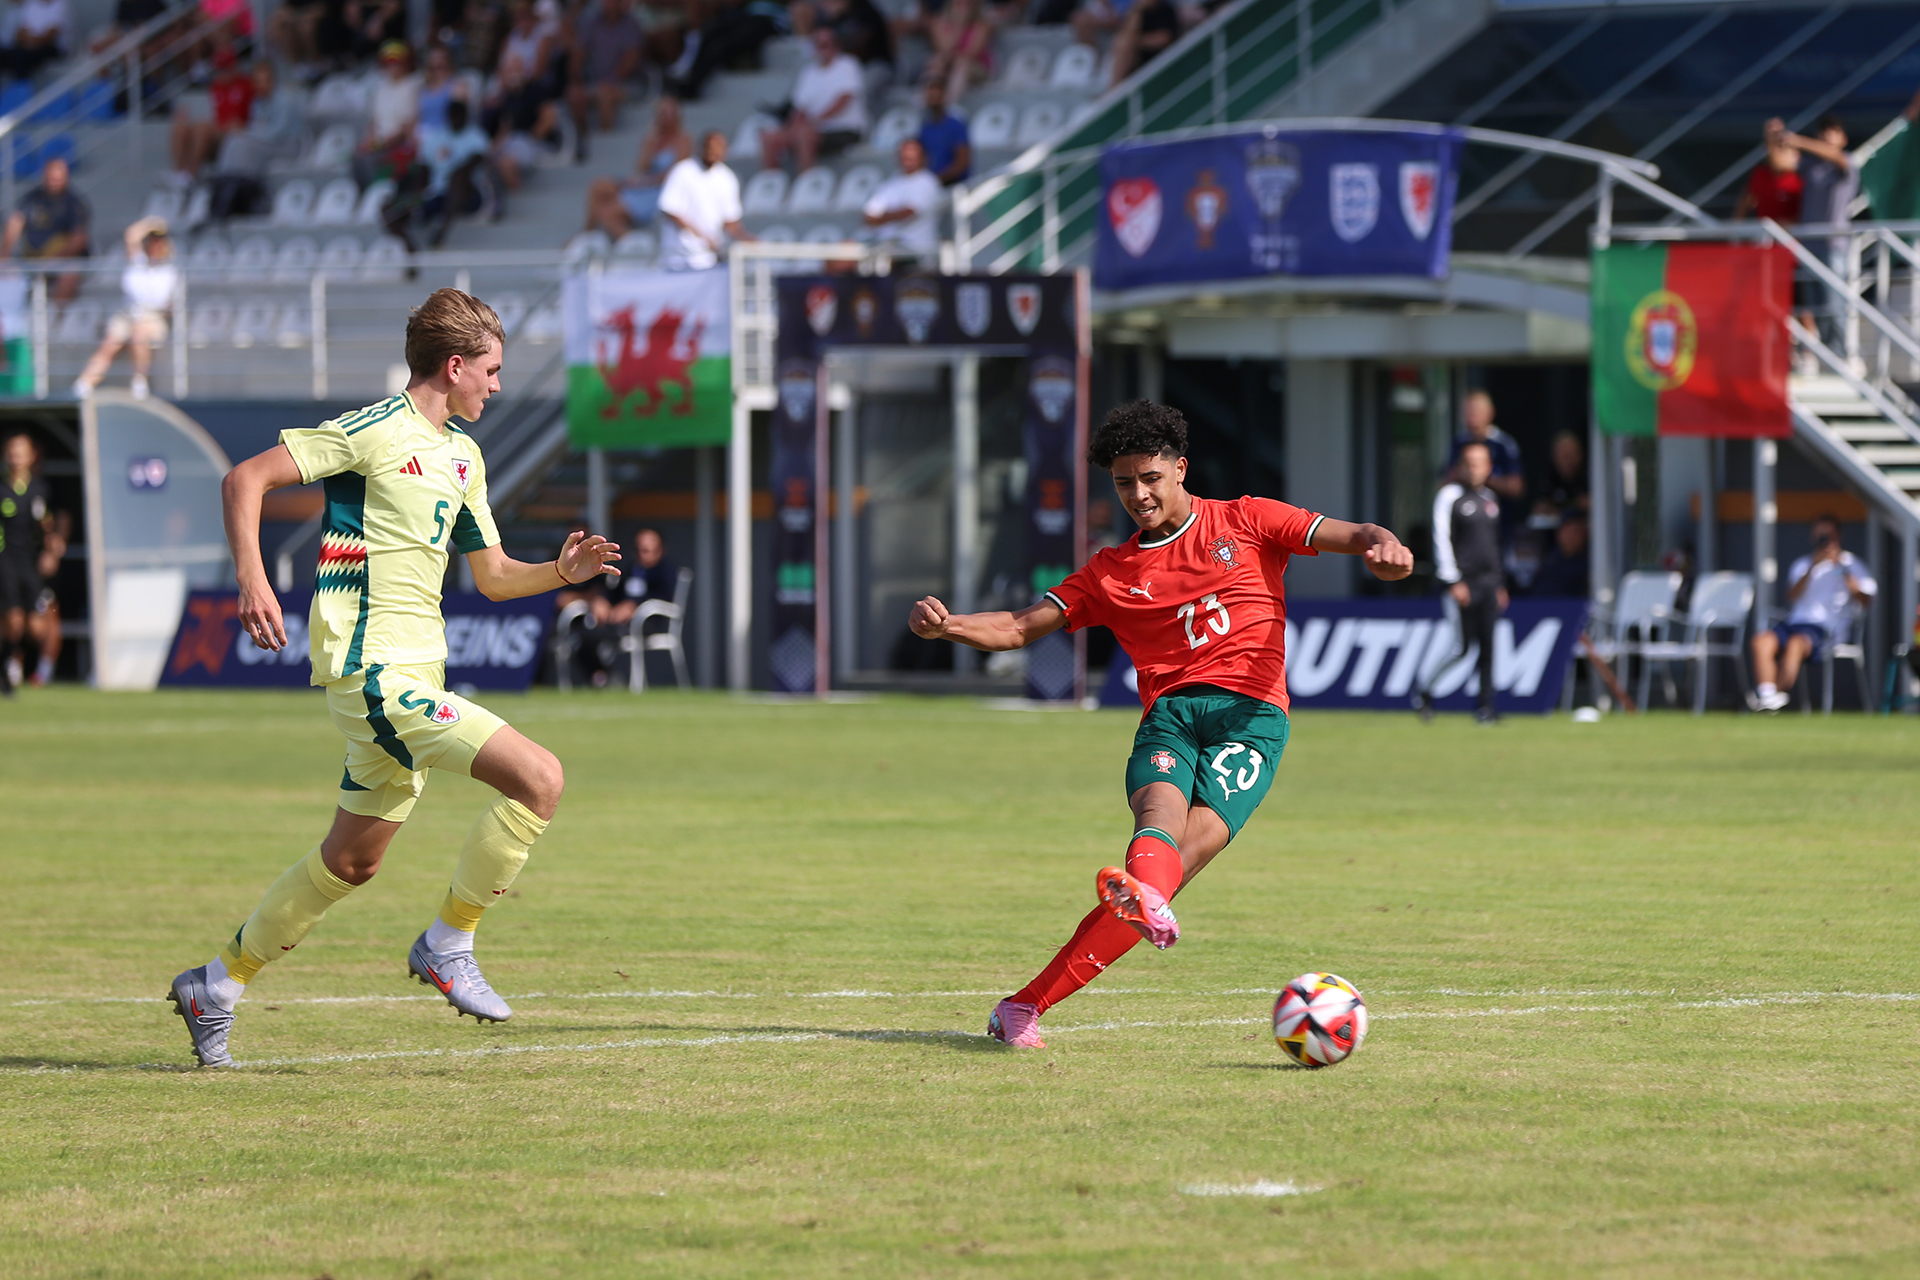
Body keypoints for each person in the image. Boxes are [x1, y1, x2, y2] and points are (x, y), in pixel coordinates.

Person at [166, 289, 624, 1069]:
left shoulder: (464, 457)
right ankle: (449, 943)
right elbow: (245, 479)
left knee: (352, 863)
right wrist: (253, 577)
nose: (497, 386)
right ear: (455, 366)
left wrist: (561, 571)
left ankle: (217, 985)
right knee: (539, 779)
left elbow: (493, 577)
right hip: (370, 671)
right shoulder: (373, 431)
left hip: (415, 671)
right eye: (491, 371)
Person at [907, 400, 1413, 1047]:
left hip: (1251, 721)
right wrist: (948, 626)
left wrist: (1383, 546)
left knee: (1161, 879)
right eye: (1124, 483)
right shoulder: (1111, 573)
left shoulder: (1248, 521)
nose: (1138, 495)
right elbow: (1017, 626)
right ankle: (1121, 912)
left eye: (1150, 478)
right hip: (1171, 716)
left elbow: (1353, 534)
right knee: (1157, 835)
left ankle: (1025, 1005)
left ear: (1180, 468)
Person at [1416, 439, 1505, 724]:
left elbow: (1494, 546)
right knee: (1461, 647)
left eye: (1480, 463)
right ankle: (1425, 690)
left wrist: (1500, 583)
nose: (1474, 469)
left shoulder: (1491, 500)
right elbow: (1441, 539)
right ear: (1459, 467)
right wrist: (1453, 580)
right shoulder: (1449, 496)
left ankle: (1485, 708)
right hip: (1462, 584)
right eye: (1468, 463)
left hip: (1489, 583)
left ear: (1489, 467)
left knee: (1489, 647)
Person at [1749, 515, 1876, 712]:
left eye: (1828, 536)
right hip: (1795, 623)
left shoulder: (1852, 564)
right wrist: (1812, 567)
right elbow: (1792, 596)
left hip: (1827, 630)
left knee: (1795, 644)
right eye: (1820, 536)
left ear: (1838, 536)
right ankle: (1767, 696)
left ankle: (1770, 701)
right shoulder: (1802, 564)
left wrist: (1843, 570)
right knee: (1761, 640)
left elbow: (1866, 600)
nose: (1824, 541)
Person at [72, 216, 175, 401]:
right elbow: (131, 236)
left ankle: (139, 383)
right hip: (128, 315)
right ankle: (84, 384)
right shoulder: (137, 262)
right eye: (152, 241)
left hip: (151, 317)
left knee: (139, 334)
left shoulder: (170, 271)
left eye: (159, 241)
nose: (155, 245)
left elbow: (168, 307)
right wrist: (152, 222)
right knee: (110, 343)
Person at [1781, 114, 1856, 355]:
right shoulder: (1810, 166)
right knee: (1815, 307)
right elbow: (1781, 163)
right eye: (1824, 131)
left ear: (1843, 139)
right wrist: (1775, 138)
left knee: (1834, 305)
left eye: (1833, 131)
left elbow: (1834, 155)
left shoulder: (1847, 162)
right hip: (1808, 246)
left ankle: (1842, 357)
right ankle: (1827, 357)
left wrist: (1797, 141)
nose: (1827, 136)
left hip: (1833, 246)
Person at [0, 431, 64, 692]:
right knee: (13, 622)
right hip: (6, 560)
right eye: (12, 452)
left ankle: (22, 661)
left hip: (31, 562)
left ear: (30, 456)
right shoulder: (1, 487)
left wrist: (53, 546)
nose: (16, 458)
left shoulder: (40, 489)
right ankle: (8, 666)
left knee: (37, 627)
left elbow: (47, 523)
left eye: (21, 452)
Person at [583, 93, 693, 238]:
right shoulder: (652, 139)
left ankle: (630, 240)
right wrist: (652, 141)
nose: (667, 118)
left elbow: (676, 175)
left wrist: (644, 182)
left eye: (670, 113)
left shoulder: (683, 140)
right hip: (645, 185)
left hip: (660, 191)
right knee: (599, 186)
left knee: (605, 212)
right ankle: (587, 233)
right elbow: (642, 167)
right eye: (663, 113)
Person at [761, 26, 868, 173]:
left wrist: (815, 120)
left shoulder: (847, 65)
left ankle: (806, 183)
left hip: (845, 129)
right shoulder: (808, 72)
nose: (821, 49)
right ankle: (771, 186)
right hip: (814, 129)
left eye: (825, 44)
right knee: (770, 137)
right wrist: (792, 128)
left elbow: (843, 100)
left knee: (804, 135)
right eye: (818, 45)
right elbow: (800, 108)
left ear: (836, 45)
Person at [662, 0, 789, 101]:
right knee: (712, 29)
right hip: (747, 13)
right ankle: (687, 68)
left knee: (722, 44)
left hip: (769, 19)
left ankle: (692, 85)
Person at [658, 129, 749, 270]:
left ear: (726, 151)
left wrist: (745, 238)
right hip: (679, 257)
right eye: (709, 147)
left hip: (708, 258)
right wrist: (702, 237)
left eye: (718, 148)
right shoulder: (683, 171)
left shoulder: (728, 178)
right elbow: (670, 210)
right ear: (700, 148)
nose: (713, 152)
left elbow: (730, 220)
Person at [2, 156, 88, 303]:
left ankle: (55, 321)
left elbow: (78, 240)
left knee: (70, 275)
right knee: (7, 273)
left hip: (61, 262)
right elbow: (16, 222)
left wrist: (50, 261)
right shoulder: (33, 198)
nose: (55, 181)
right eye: (51, 177)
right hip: (32, 259)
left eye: (58, 178)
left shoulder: (74, 204)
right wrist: (3, 256)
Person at [169, 45, 253, 181]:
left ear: (234, 67)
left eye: (225, 69)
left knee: (202, 128)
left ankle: (190, 175)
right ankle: (179, 173)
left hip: (236, 134)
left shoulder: (247, 85)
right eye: (219, 70)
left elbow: (256, 113)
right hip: (218, 131)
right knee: (180, 127)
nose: (221, 74)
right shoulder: (216, 87)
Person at [567, 0, 646, 144]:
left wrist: (611, 79)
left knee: (605, 95)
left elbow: (631, 58)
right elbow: (579, 52)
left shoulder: (631, 24)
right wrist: (576, 80)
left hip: (628, 83)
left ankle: (605, 145)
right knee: (574, 96)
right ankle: (584, 142)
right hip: (597, 82)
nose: (609, 4)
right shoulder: (592, 22)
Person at [862, 137, 942, 261]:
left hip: (914, 249)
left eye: (912, 154)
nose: (907, 158)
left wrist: (882, 217)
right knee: (845, 251)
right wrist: (891, 216)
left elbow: (908, 213)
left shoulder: (928, 181)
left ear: (923, 157)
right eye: (904, 154)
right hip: (887, 245)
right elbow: (868, 216)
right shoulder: (892, 182)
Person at [1444, 389, 1523, 503]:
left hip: (1497, 513)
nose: (1471, 417)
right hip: (1462, 511)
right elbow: (1444, 480)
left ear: (1490, 412)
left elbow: (1517, 487)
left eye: (1475, 411)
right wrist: (1462, 475)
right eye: (1467, 412)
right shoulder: (1458, 442)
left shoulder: (1503, 444)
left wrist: (1485, 478)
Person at [1733, 116, 1803, 223]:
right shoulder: (1759, 174)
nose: (1779, 154)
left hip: (1790, 238)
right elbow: (1744, 205)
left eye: (1783, 150)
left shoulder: (1799, 180)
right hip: (1765, 237)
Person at [925, 0, 991, 106]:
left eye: (967, 4)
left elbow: (971, 53)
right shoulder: (939, 23)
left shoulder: (981, 25)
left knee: (962, 63)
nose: (963, 7)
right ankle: (928, 100)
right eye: (959, 3)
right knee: (936, 60)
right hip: (950, 63)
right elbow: (944, 49)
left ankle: (950, 104)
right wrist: (958, 26)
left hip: (976, 67)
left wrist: (962, 24)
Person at [1107, 0, 1176, 85]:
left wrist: (1134, 42)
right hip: (1136, 60)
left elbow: (1164, 39)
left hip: (1161, 58)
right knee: (1123, 44)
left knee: (1125, 43)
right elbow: (1128, 34)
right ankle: (1114, 86)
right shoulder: (1137, 12)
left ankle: (1113, 88)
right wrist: (1137, 10)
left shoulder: (1166, 9)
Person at [916, 76, 969, 186]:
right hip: (932, 185)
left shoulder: (956, 126)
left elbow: (962, 162)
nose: (934, 100)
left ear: (944, 97)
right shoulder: (924, 128)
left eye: (937, 96)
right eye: (931, 97)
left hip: (955, 185)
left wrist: (938, 179)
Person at [1528, 509, 1588, 599]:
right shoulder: (1549, 560)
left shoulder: (1589, 564)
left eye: (1575, 532)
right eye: (1567, 531)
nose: (1571, 537)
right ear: (1559, 533)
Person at [3, 0, 67, 79]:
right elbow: (19, 34)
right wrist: (29, 41)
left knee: (22, 58)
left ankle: (22, 86)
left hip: (54, 49)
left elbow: (49, 37)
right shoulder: (31, 4)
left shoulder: (60, 5)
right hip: (29, 47)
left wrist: (29, 41)